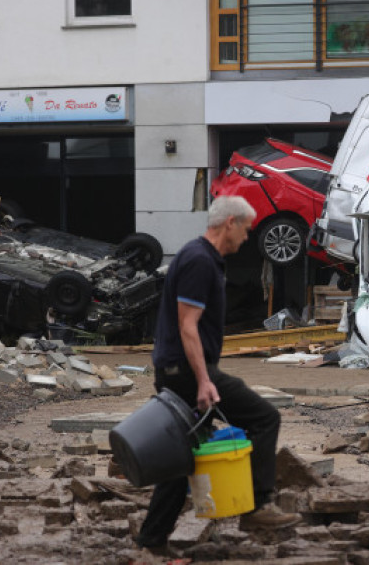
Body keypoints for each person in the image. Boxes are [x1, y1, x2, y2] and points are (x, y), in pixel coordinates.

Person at [135, 195, 300, 553]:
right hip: (185, 373)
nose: (247, 237)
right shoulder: (199, 261)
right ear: (230, 223)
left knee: (182, 456)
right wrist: (205, 380)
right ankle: (257, 507)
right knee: (264, 417)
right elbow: (187, 325)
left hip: (177, 370)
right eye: (247, 228)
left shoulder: (201, 257)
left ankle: (151, 541)